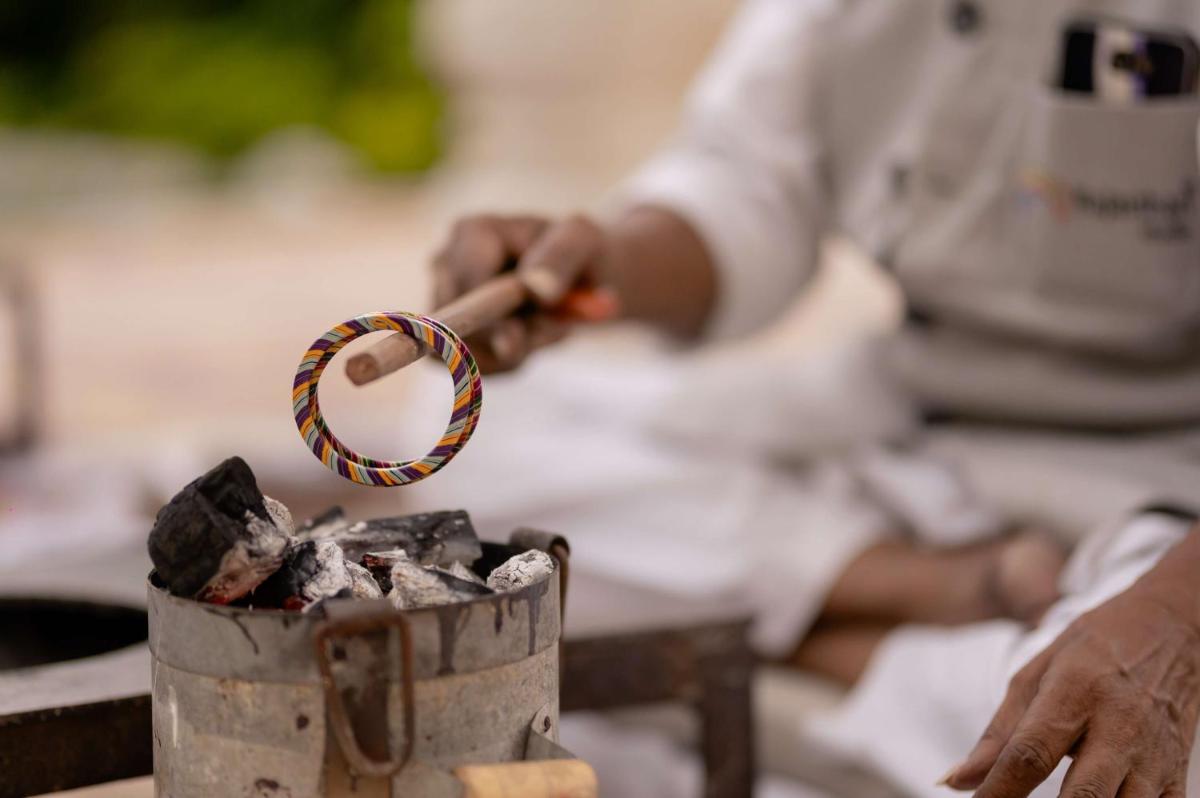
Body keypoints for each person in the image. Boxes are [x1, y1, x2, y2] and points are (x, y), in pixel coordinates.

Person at [426, 2, 1200, 796]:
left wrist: (1175, 619)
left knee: (1116, 745)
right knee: (452, 447)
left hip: (1159, 481)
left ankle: (808, 646)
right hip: (901, 407)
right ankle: (931, 594)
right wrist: (600, 268)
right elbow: (746, 185)